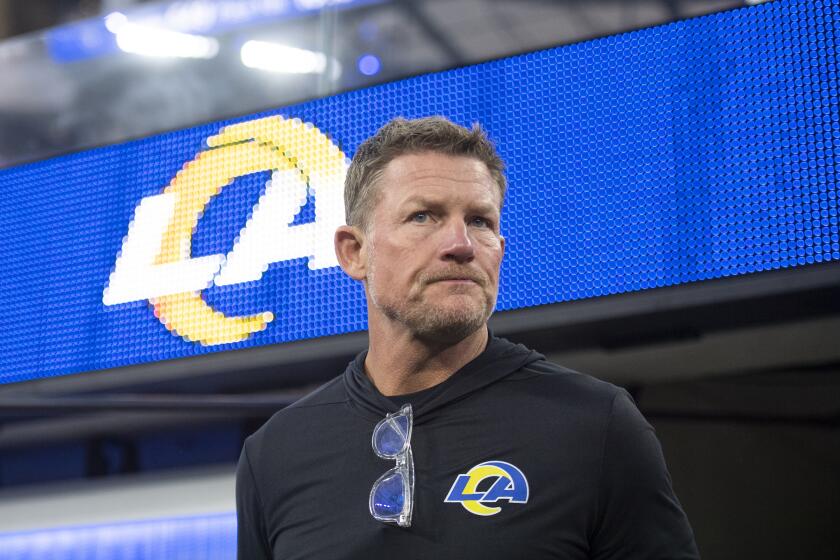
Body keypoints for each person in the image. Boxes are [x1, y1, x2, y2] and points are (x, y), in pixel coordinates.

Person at [236, 116, 700, 559]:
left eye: (481, 221)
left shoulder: (596, 425)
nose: (460, 244)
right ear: (354, 252)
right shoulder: (275, 452)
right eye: (423, 216)